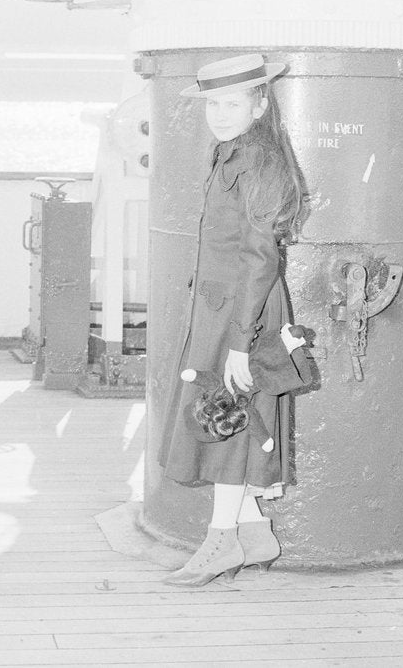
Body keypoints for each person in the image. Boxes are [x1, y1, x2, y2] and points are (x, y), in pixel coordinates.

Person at [159, 53, 307, 587]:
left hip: (243, 317)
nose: (220, 113)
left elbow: (261, 258)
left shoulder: (260, 162)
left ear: (260, 104)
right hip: (222, 312)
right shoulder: (232, 153)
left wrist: (241, 344)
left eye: (232, 102)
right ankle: (255, 532)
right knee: (224, 415)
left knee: (227, 421)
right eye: (213, 103)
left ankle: (220, 542)